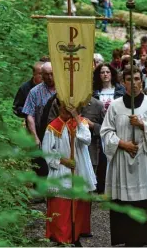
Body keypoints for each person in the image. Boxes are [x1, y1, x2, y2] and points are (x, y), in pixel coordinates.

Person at [101, 67, 147, 247]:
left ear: (142, 81)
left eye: (137, 79)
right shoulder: (115, 106)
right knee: (127, 205)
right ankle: (130, 240)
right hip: (123, 160)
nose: (133, 83)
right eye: (129, 79)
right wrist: (123, 144)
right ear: (123, 82)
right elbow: (106, 132)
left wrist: (143, 125)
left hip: (146, 161)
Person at [43, 103, 97, 246]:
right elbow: (47, 150)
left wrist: (76, 118)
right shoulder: (53, 127)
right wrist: (63, 160)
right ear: (58, 108)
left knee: (78, 205)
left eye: (69, 108)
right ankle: (62, 238)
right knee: (62, 205)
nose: (66, 111)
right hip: (62, 169)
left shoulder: (81, 123)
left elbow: (86, 139)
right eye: (63, 108)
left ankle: (75, 236)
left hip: (80, 169)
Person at [22, 62, 56, 146]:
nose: (50, 77)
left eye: (52, 74)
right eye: (46, 75)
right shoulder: (34, 92)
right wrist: (35, 137)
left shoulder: (64, 90)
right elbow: (30, 116)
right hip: (42, 132)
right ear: (42, 75)